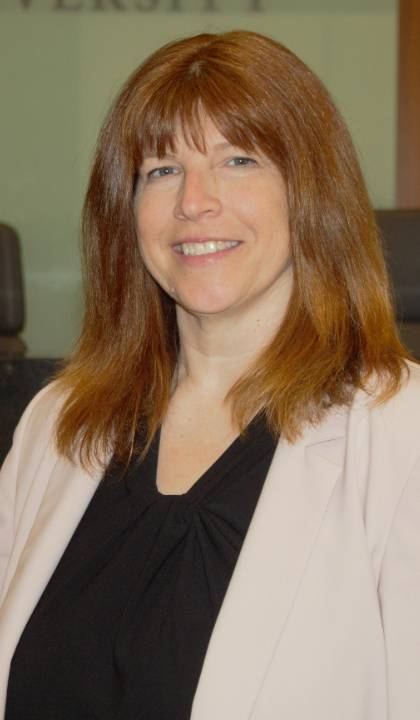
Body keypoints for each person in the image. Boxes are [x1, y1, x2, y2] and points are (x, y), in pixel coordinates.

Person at [0, 30, 419, 720]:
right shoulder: (56, 422)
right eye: (161, 170)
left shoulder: (402, 437)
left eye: (239, 159)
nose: (195, 200)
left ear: (311, 194)